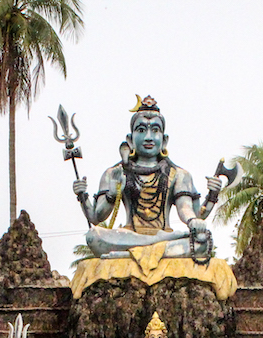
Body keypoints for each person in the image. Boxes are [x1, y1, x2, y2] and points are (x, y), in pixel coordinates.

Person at [73, 95, 222, 259]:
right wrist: (98, 194)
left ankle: (130, 253)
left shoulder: (179, 175)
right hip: (129, 236)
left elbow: (186, 209)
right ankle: (153, 244)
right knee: (93, 236)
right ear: (130, 140)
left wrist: (196, 217)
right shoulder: (115, 173)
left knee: (202, 241)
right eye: (141, 130)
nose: (149, 137)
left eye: (155, 130)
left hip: (163, 235)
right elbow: (96, 218)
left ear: (164, 141)